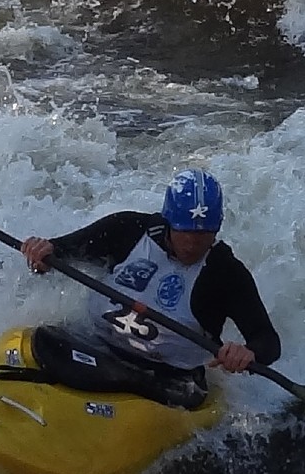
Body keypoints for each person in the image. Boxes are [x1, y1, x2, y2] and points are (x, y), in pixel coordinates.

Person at [16, 169, 282, 410]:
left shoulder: (225, 273)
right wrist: (42, 253)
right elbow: (60, 252)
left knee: (124, 378)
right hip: (97, 344)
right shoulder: (126, 230)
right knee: (43, 339)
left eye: (204, 234)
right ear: (168, 221)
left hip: (167, 377)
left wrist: (248, 352)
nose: (192, 244)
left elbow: (268, 341)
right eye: (184, 231)